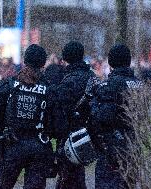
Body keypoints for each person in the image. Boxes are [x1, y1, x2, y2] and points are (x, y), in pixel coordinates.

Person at [0, 44, 54, 189]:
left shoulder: (8, 85)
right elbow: (56, 124)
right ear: (43, 63)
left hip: (11, 145)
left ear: (24, 61)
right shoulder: (49, 89)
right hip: (39, 147)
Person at [89, 44, 143, 189]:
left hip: (112, 148)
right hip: (133, 145)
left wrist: (94, 107)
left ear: (111, 62)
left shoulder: (109, 85)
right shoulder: (139, 84)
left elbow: (103, 117)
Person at [52, 41, 100, 189]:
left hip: (69, 137)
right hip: (89, 135)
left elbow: (59, 111)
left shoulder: (67, 81)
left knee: (69, 177)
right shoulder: (92, 77)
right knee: (77, 176)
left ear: (66, 58)